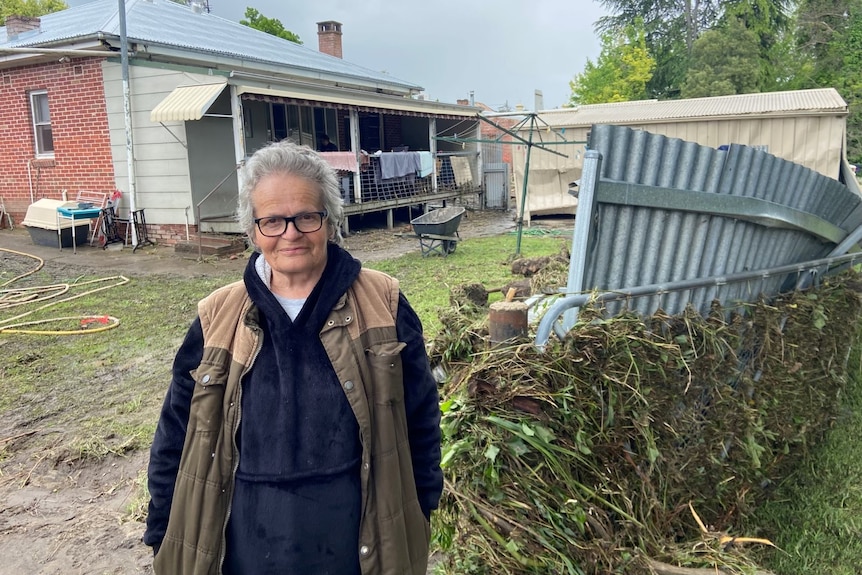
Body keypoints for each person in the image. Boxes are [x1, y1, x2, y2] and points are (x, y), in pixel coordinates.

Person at [143, 140, 443, 575]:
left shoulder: (384, 303)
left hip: (357, 546)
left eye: (306, 216)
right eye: (273, 221)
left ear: (330, 221)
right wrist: (162, 529)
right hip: (246, 547)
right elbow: (175, 434)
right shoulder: (217, 317)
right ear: (252, 229)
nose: (290, 233)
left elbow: (421, 417)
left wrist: (422, 507)